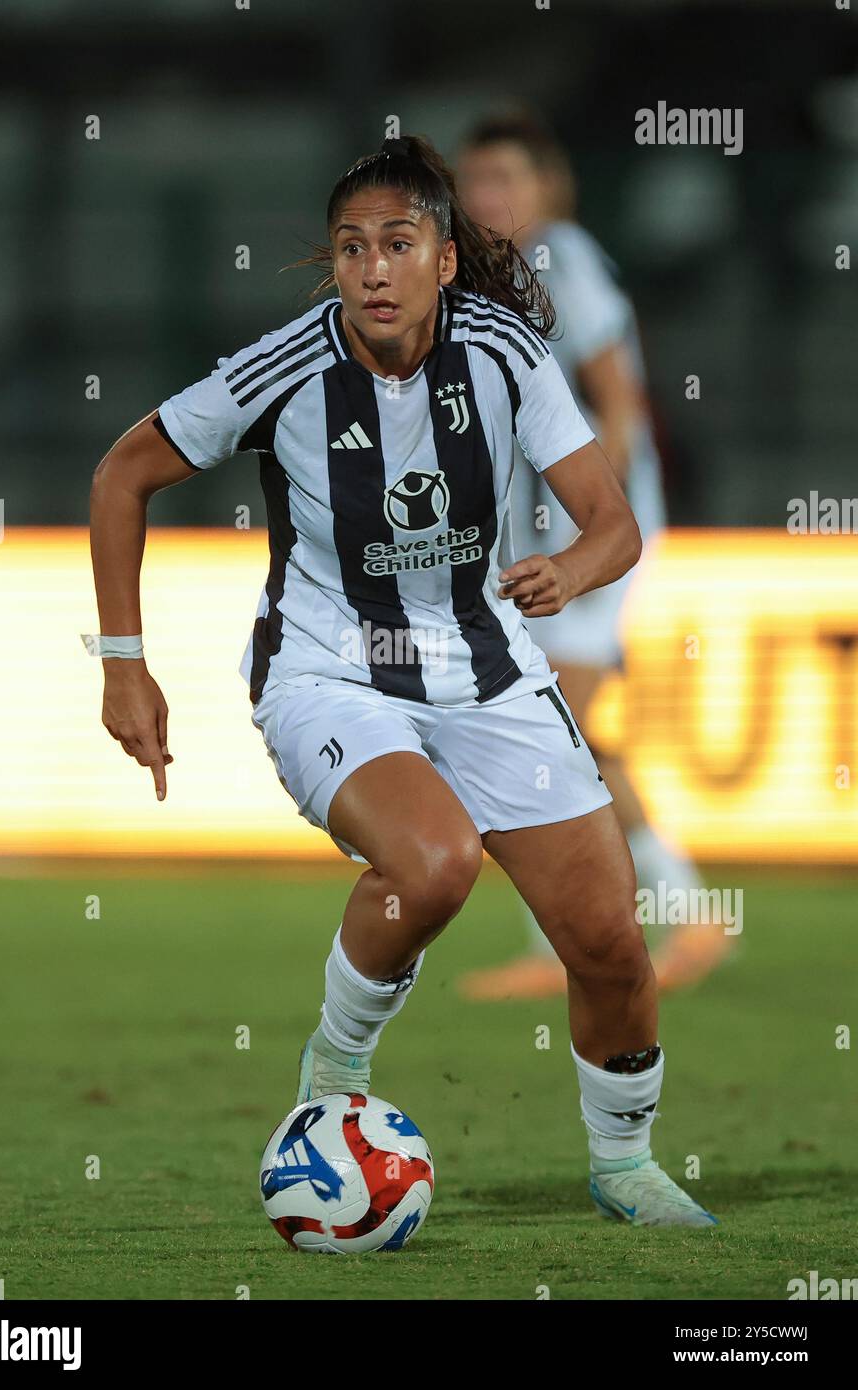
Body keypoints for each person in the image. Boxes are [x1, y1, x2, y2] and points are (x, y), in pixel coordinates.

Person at [88, 134, 717, 1226]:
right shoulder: (282, 370)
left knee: (609, 940)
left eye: (397, 243)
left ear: (442, 260)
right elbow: (122, 471)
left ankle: (623, 1164)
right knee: (430, 864)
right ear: (332, 267)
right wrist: (123, 665)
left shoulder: (508, 354)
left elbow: (611, 522)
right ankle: (332, 1076)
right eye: (349, 248)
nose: (372, 268)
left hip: (484, 668)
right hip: (328, 673)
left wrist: (567, 568)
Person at [456, 112, 734, 999]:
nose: (487, 196)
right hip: (539, 548)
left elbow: (619, 399)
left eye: (505, 178)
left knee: (542, 730)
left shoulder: (557, 260)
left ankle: (592, 938)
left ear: (548, 188)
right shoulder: (488, 276)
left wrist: (591, 531)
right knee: (561, 736)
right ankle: (679, 910)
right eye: (476, 180)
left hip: (584, 549)